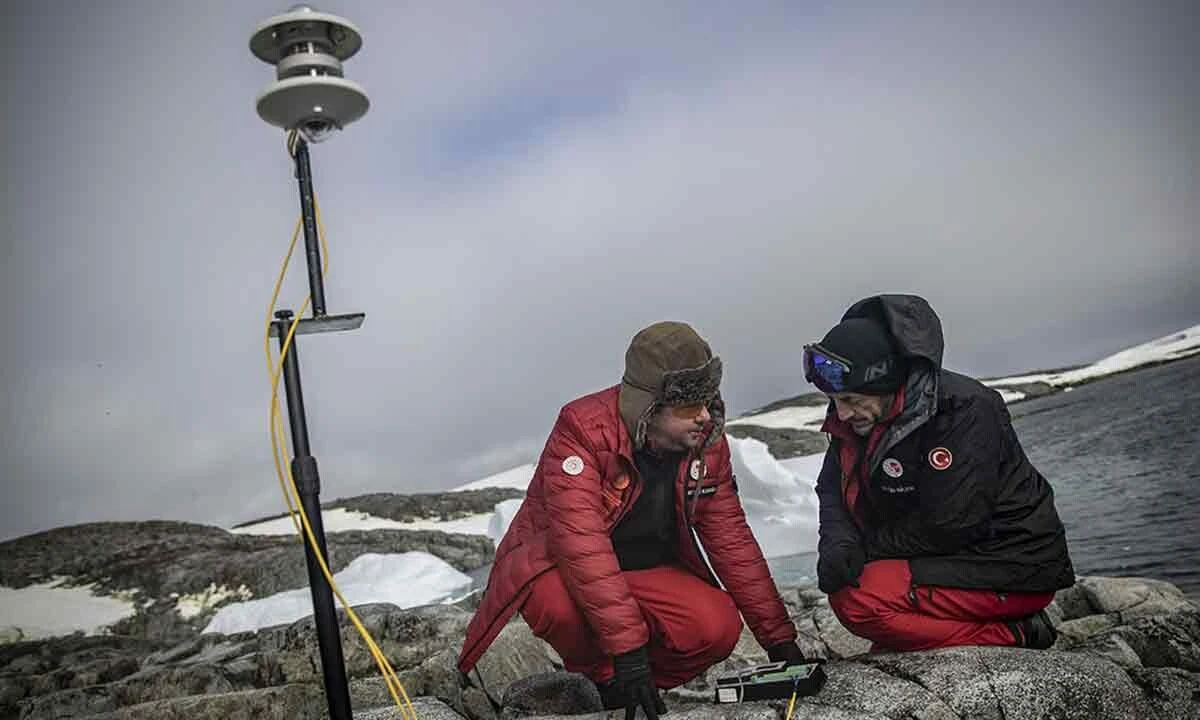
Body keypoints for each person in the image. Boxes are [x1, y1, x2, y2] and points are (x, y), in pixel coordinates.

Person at [457, 321, 809, 719]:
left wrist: (779, 640)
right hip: (563, 568)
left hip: (646, 569)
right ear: (647, 409)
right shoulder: (581, 431)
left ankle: (640, 687)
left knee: (718, 627)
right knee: (555, 604)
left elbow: (732, 541)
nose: (705, 418)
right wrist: (627, 653)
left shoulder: (705, 444)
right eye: (690, 407)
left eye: (709, 402)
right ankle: (607, 681)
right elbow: (582, 546)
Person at [801, 293, 1075, 653]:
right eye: (835, 401)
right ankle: (932, 630)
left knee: (859, 601)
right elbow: (832, 489)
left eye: (851, 400)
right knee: (855, 590)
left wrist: (865, 549)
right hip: (944, 558)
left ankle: (1016, 633)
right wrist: (839, 542)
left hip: (1012, 563)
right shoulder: (860, 420)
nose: (843, 413)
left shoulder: (962, 410)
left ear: (886, 380)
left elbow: (953, 522)